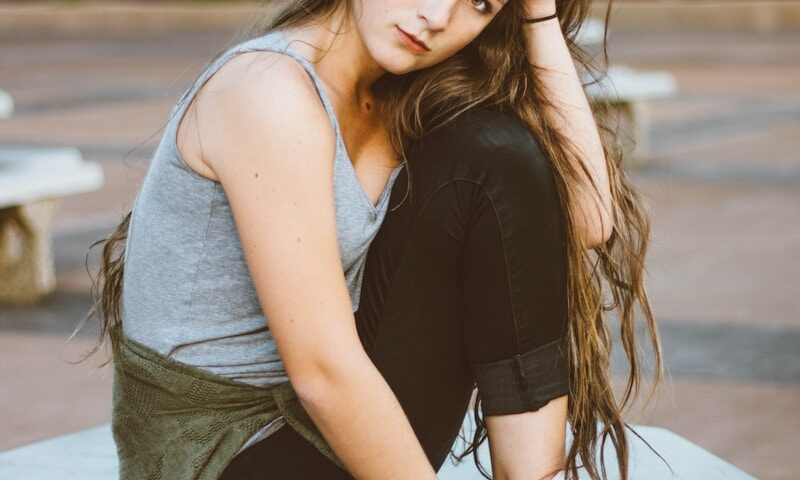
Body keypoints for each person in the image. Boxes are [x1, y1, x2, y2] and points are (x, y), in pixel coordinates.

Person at [71, 0, 664, 479]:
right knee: (488, 159)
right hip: (216, 453)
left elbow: (588, 217)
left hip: (314, 422)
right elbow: (324, 373)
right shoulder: (268, 91)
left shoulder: (405, 93)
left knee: (496, 156)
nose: (437, 16)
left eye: (479, 5)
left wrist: (538, 15)